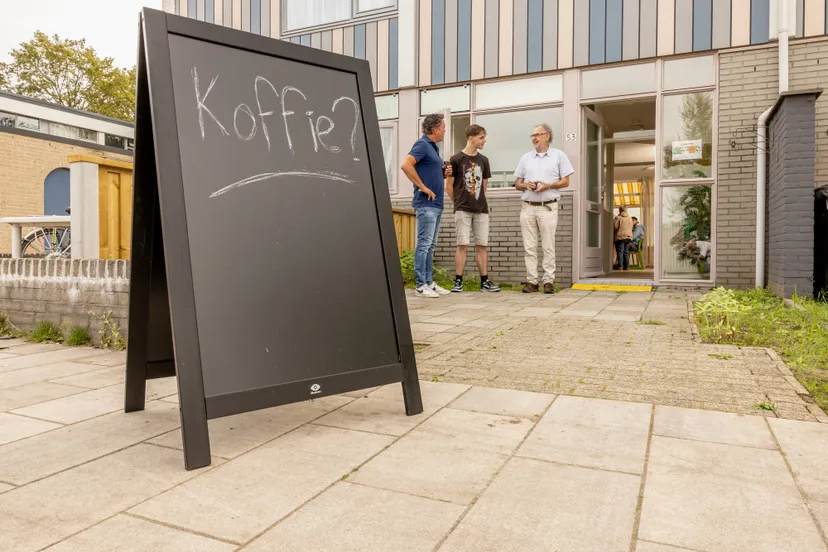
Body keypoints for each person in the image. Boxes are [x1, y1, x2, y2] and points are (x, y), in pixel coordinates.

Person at [514, 123, 574, 293]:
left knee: (548, 245)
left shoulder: (559, 156)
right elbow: (517, 183)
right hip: (527, 208)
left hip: (548, 207)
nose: (534, 138)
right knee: (529, 246)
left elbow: (565, 181)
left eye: (538, 135)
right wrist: (526, 185)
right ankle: (532, 282)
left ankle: (548, 281)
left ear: (547, 136)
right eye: (532, 135)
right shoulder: (526, 157)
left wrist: (548, 186)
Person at [400, 113, 452, 298]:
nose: (445, 130)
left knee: (430, 245)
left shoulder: (433, 148)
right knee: (424, 245)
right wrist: (422, 187)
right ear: (435, 129)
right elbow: (406, 165)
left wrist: (443, 171)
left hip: (436, 204)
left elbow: (429, 170)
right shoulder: (422, 145)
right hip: (426, 204)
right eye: (444, 127)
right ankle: (421, 285)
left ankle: (429, 282)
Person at [446, 124, 500, 293]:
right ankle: (458, 281)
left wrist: (476, 200)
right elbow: (449, 187)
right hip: (462, 209)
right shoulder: (455, 159)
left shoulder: (484, 160)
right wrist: (459, 203)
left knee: (482, 245)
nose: (484, 140)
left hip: (481, 210)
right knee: (462, 244)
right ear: (471, 138)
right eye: (481, 137)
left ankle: (484, 282)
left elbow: (484, 186)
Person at [613, 206, 634, 270]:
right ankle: (627, 266)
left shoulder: (618, 218)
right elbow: (631, 227)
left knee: (620, 251)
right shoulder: (630, 218)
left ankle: (620, 266)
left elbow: (615, 227)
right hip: (628, 237)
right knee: (626, 252)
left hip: (620, 237)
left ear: (620, 210)